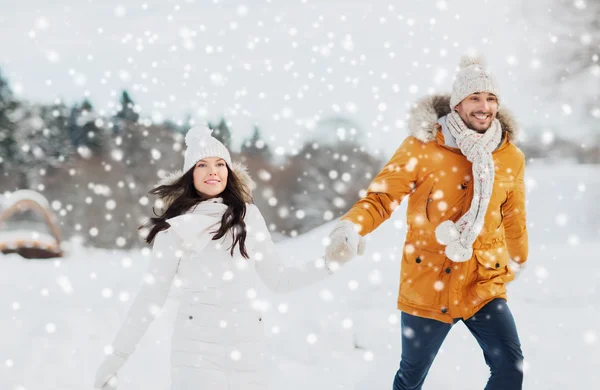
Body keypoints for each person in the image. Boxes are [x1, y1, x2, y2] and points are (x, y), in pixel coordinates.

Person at [326, 56, 528, 390]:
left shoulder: (509, 155)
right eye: (475, 98)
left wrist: (519, 257)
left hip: (483, 281)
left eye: (491, 99)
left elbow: (514, 214)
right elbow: (381, 197)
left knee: (510, 366)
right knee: (411, 377)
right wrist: (351, 226)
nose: (484, 106)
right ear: (457, 104)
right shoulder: (422, 147)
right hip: (428, 280)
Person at [94, 126, 334, 390]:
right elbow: (150, 297)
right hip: (195, 355)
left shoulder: (248, 217)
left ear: (229, 172)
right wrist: (116, 358)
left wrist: (330, 263)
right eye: (202, 164)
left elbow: (279, 280)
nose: (213, 171)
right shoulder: (174, 230)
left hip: (248, 354)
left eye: (220, 164)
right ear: (190, 175)